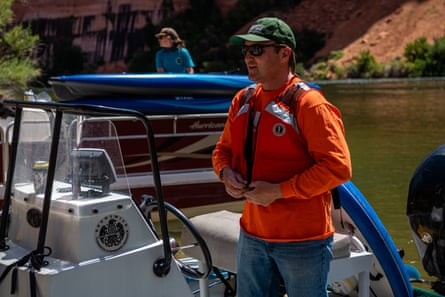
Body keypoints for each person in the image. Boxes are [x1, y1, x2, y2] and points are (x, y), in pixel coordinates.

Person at [212, 17, 352, 297]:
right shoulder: (243, 99)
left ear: (284, 53)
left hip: (303, 241)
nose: (249, 59)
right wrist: (225, 174)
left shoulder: (309, 104)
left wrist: (279, 191)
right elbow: (221, 152)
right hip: (252, 235)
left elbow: (338, 168)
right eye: (246, 51)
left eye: (257, 51)